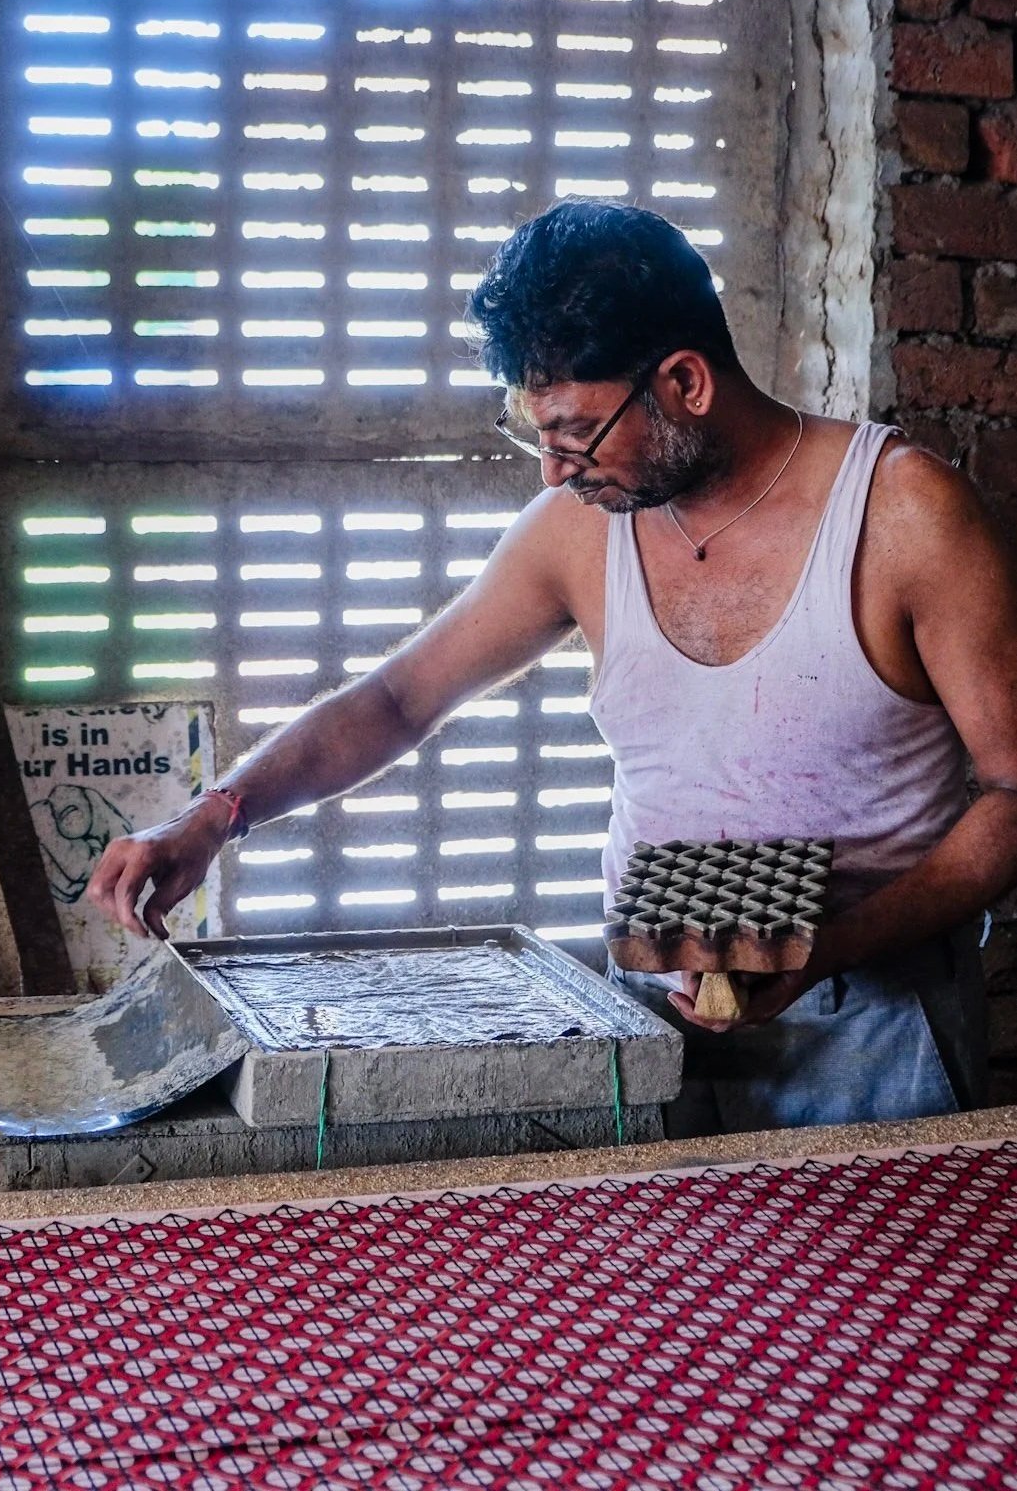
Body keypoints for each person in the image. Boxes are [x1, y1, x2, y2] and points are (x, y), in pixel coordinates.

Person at [88, 200, 1017, 1136]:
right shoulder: (583, 527)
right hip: (650, 1018)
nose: (551, 471)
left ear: (685, 382)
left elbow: (1013, 795)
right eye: (535, 434)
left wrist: (824, 949)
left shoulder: (905, 516)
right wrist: (213, 820)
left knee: (880, 1287)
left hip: (874, 1032)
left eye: (575, 432)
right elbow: (399, 696)